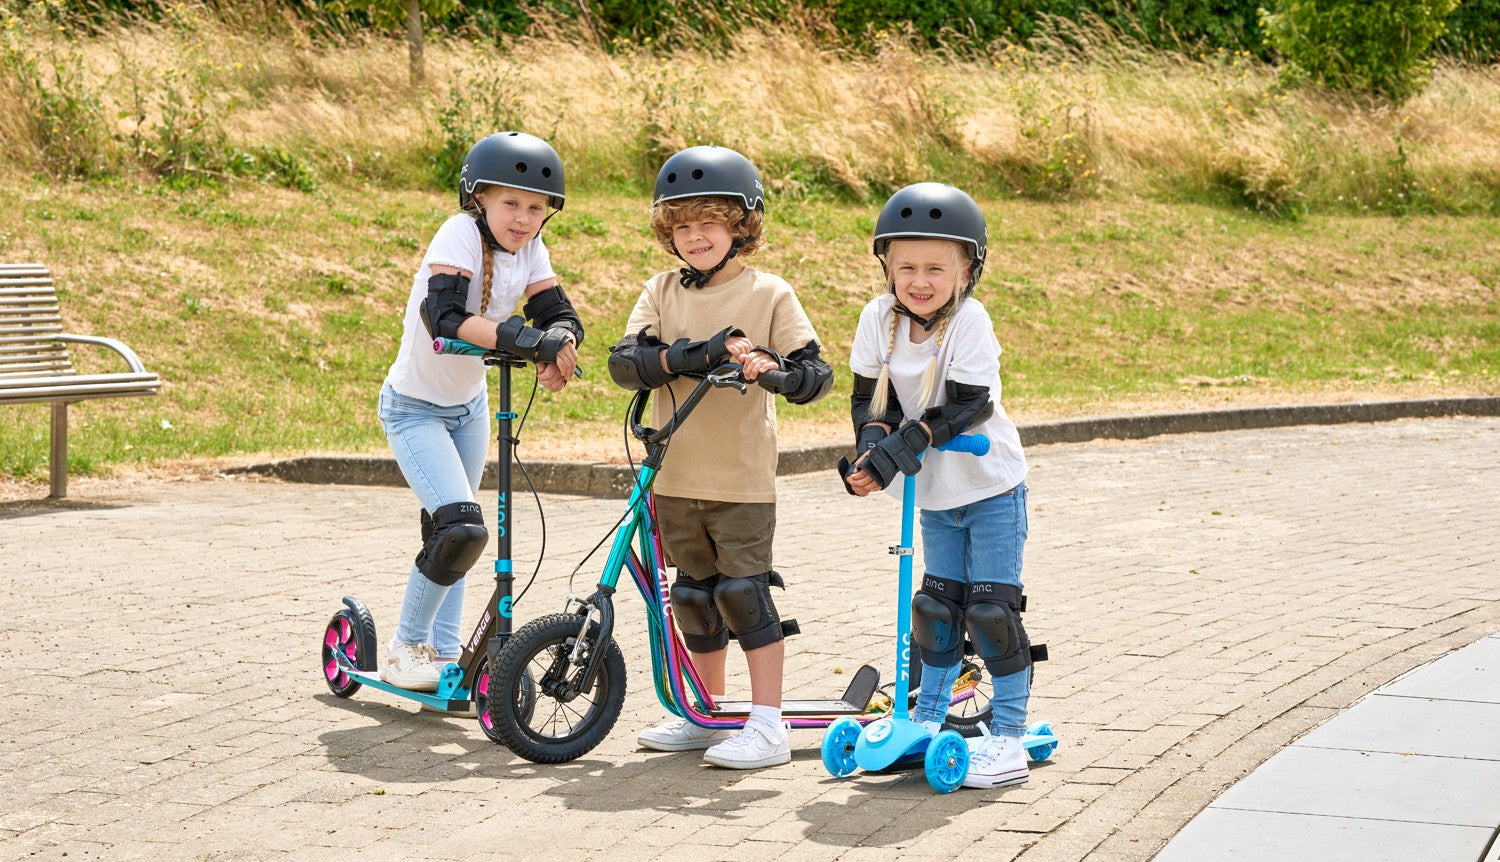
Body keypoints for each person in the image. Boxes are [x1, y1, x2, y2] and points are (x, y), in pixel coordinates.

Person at [607, 145, 834, 768]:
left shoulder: (769, 294)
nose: (694, 237)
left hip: (741, 481)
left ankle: (768, 726)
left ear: (742, 226)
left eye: (709, 222)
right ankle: (705, 712)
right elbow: (626, 364)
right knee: (694, 597)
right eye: (681, 226)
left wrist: (773, 371)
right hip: (674, 475)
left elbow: (816, 374)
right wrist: (703, 353)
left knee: (743, 593)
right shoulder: (660, 291)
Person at [839, 182, 1043, 789]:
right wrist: (872, 453)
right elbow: (866, 401)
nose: (918, 280)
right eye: (905, 266)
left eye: (935, 267)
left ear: (966, 269)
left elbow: (968, 407)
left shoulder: (970, 322)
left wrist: (908, 444)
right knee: (933, 609)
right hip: (934, 496)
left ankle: (1007, 738)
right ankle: (926, 722)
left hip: (991, 486)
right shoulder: (878, 319)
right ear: (887, 266)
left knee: (988, 611)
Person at [378, 131, 584, 695]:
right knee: (463, 531)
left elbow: (559, 312)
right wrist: (524, 339)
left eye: (536, 208)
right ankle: (403, 649)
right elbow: (442, 316)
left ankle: (447, 657)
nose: (523, 218)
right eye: (510, 203)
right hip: (413, 408)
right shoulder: (460, 233)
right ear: (480, 200)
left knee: (458, 534)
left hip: (468, 410)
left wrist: (559, 343)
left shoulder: (529, 249)